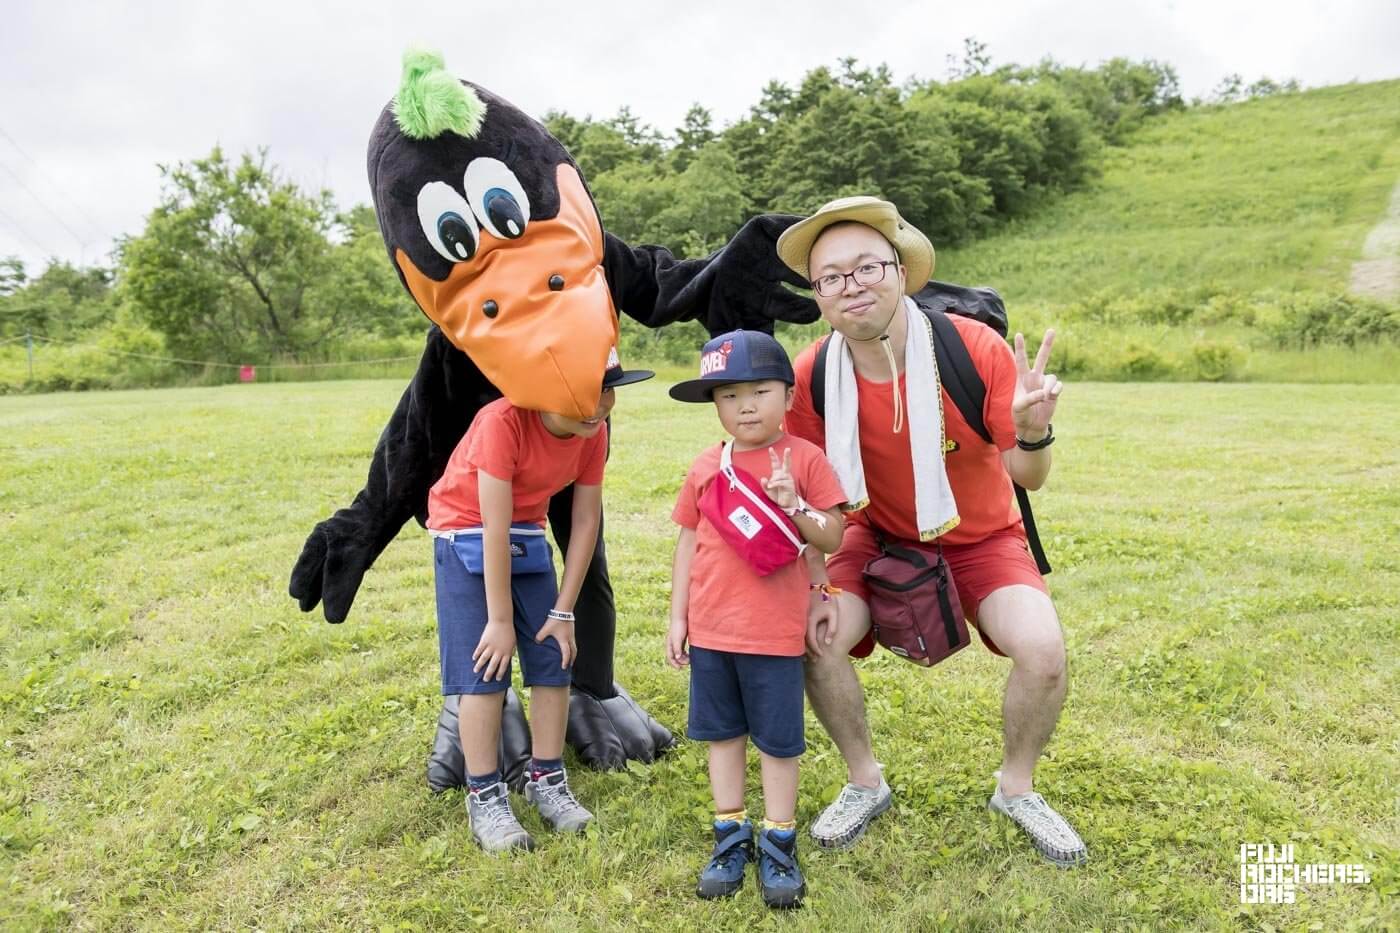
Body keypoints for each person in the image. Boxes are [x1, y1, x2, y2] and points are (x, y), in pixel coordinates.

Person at [775, 196, 1088, 867]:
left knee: (1044, 650)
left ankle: (1017, 787)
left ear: (901, 270)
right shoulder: (811, 374)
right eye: (831, 276)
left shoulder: (971, 348)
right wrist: (812, 583)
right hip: (875, 534)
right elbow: (810, 492)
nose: (850, 284)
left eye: (866, 267)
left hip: (982, 536)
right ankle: (864, 780)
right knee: (816, 636)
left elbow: (1027, 476)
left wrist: (1033, 431)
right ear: (818, 294)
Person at [427, 348, 653, 852]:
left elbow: (585, 522)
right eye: (579, 399)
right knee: (484, 670)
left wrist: (564, 611)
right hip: (466, 532)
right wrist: (500, 620)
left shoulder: (591, 432)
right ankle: (484, 794)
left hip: (525, 531)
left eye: (605, 393)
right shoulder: (500, 422)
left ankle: (546, 779)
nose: (595, 408)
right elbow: (492, 526)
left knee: (555, 657)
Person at [665, 330, 847, 908]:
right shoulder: (704, 466)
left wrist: (795, 505)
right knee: (721, 736)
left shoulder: (807, 459)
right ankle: (729, 836)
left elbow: (834, 536)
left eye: (760, 391)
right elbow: (688, 544)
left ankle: (778, 841)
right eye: (728, 395)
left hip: (774, 635)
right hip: (713, 630)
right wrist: (678, 617)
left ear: (787, 395)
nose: (745, 405)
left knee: (778, 742)